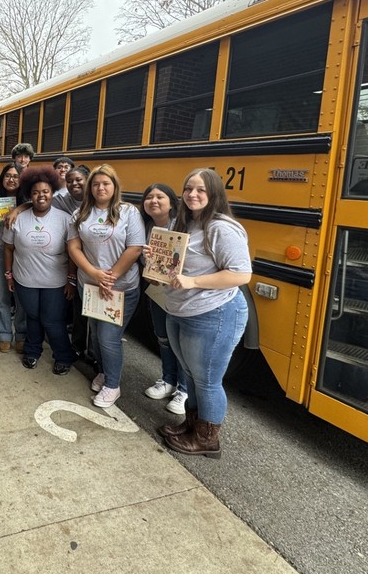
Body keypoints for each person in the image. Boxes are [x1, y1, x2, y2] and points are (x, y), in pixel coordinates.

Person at [160, 168, 252, 458]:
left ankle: (207, 440)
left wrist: (193, 281)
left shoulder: (220, 227)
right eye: (188, 189)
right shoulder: (184, 223)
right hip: (180, 309)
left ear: (214, 194)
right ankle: (191, 426)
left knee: (208, 380)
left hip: (214, 312)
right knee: (190, 373)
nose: (193, 194)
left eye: (200, 190)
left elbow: (241, 274)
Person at [66, 164, 145, 408]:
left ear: (114, 186)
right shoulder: (80, 213)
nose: (101, 188)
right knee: (97, 336)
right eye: (96, 184)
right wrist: (93, 274)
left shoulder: (129, 212)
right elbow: (74, 247)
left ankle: (113, 385)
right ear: (90, 188)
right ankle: (103, 371)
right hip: (89, 286)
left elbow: (135, 248)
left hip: (121, 287)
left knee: (110, 337)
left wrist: (109, 277)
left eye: (106, 184)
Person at [4, 166, 76, 374]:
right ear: (29, 195)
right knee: (33, 317)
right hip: (25, 280)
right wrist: (9, 274)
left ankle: (63, 355)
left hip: (56, 282)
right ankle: (32, 351)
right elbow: (9, 248)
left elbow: (72, 251)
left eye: (45, 191)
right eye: (35, 192)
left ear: (52, 192)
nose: (41, 196)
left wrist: (71, 279)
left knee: (52, 321)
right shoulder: (16, 218)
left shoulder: (65, 218)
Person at [139, 183, 188, 415]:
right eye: (149, 197)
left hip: (180, 294)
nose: (154, 201)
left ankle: (184, 390)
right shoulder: (145, 226)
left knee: (180, 342)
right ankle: (167, 380)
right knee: (163, 338)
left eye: (160, 197)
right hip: (157, 292)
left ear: (171, 202)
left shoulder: (181, 227)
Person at [0, 163, 26, 352]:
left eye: (16, 176)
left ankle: (22, 334)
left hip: (24, 255)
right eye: (8, 176)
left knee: (22, 297)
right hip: (0, 252)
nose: (11, 179)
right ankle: (4, 333)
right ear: (1, 180)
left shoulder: (28, 202)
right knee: (2, 295)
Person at [54, 165, 89, 356]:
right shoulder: (62, 200)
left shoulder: (98, 202)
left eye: (78, 180)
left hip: (99, 262)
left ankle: (95, 352)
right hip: (75, 260)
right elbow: (40, 200)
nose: (74, 184)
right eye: (69, 181)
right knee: (78, 306)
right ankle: (77, 345)